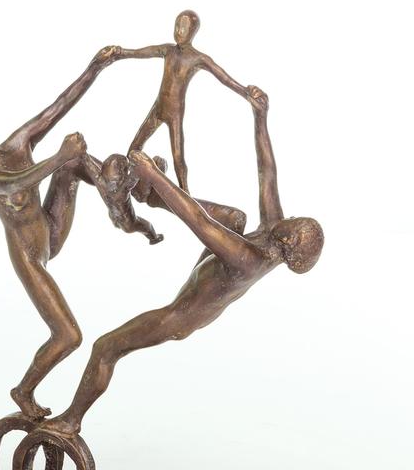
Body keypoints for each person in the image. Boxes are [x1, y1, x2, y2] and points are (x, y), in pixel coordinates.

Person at [44, 86, 324, 435]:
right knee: (236, 218)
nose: (290, 218)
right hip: (207, 280)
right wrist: (260, 116)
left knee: (106, 347)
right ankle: (152, 198)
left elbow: (200, 223)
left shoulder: (249, 258)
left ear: (290, 242)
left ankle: (71, 420)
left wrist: (155, 176)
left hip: (180, 316)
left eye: (295, 224)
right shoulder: (272, 232)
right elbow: (267, 172)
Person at [0, 45, 123, 421]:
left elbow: (57, 108)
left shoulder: (16, 144)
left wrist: (95, 68)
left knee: (73, 166)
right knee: (69, 336)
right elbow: (20, 181)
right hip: (30, 258)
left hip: (51, 228)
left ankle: (118, 194)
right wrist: (59, 156)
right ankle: (23, 390)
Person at [121, 10, 251, 192]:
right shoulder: (168, 50)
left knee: (178, 157)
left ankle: (185, 192)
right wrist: (121, 52)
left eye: (183, 27)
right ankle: (126, 179)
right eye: (177, 26)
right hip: (158, 109)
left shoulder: (197, 59)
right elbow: (142, 52)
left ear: (193, 32)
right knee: (135, 145)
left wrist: (245, 91)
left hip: (174, 113)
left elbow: (223, 77)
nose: (178, 31)